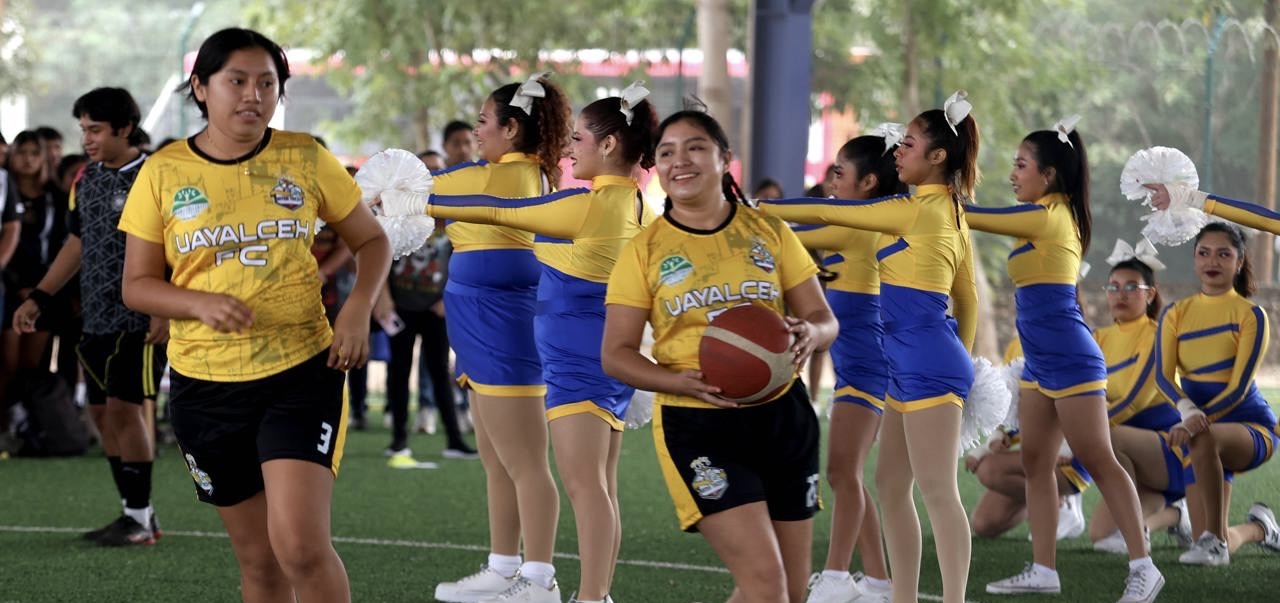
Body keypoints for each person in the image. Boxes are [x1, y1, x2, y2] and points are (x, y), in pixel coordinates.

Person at [118, 28, 390, 602]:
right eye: (236, 81)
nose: (253, 95)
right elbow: (138, 286)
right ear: (201, 88)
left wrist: (358, 307)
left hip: (300, 371)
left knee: (300, 548)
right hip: (203, 387)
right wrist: (197, 303)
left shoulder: (305, 156)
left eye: (267, 83)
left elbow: (372, 241)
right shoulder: (162, 171)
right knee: (260, 563)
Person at [418, 84, 658, 603]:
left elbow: (499, 211)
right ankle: (581, 591)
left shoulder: (590, 204)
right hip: (590, 349)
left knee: (585, 486)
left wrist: (422, 198)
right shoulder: (625, 200)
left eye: (579, 140)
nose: (568, 150)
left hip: (581, 357)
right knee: (598, 485)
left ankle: (574, 591)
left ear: (611, 144)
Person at [602, 108, 836, 603]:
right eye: (666, 152)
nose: (679, 160)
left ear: (724, 159)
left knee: (790, 593)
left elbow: (822, 316)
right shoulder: (644, 250)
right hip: (700, 426)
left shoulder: (768, 231)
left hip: (785, 419)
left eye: (695, 147)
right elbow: (617, 356)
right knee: (766, 585)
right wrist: (678, 381)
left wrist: (811, 334)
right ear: (656, 168)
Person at [757, 93, 979, 603]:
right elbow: (966, 301)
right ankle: (899, 595)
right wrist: (961, 363)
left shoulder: (914, 209)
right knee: (891, 486)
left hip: (924, 363)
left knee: (938, 493)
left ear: (938, 157)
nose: (898, 150)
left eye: (909, 143)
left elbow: (820, 209)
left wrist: (756, 207)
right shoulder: (949, 213)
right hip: (912, 362)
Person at [970, 120, 1162, 603]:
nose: (1013, 174)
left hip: (1073, 360)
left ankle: (1144, 565)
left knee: (1099, 458)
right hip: (1037, 363)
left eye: (1020, 165)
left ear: (1049, 174)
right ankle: (1043, 569)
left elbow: (973, 215)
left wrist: (938, 190)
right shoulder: (1041, 214)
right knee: (1036, 463)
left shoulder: (1049, 216)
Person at [426, 74, 571, 603]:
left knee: (527, 463)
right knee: (497, 459)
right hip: (479, 330)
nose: (477, 131)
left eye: (484, 122)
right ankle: (504, 566)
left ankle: (538, 579)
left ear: (511, 129)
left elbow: (415, 190)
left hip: (504, 332)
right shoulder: (506, 174)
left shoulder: (503, 178)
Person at [13, 88, 167, 547]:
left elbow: (183, 245)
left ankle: (141, 520)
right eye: (83, 129)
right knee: (101, 417)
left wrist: (166, 307)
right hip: (92, 318)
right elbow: (76, 245)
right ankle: (134, 513)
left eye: (95, 129)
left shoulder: (161, 174)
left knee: (124, 410)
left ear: (124, 127)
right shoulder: (86, 179)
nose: (87, 138)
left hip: (140, 319)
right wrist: (39, 296)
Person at [769, 134, 899, 603]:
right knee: (849, 474)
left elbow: (792, 227)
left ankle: (838, 575)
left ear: (868, 182)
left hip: (869, 369)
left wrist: (739, 209)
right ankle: (880, 581)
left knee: (843, 473)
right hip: (860, 368)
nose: (831, 182)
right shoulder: (859, 225)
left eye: (840, 173)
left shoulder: (854, 226)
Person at [1156, 222, 1280, 565]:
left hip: (1252, 430)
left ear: (1239, 262)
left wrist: (1197, 422)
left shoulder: (1251, 315)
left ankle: (1216, 541)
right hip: (1202, 433)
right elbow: (1163, 378)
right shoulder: (1175, 313)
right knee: (1210, 538)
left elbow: (1238, 389)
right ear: (1195, 260)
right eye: (1204, 253)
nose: (1213, 261)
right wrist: (1190, 414)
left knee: (1203, 440)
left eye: (1224, 254)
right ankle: (1260, 529)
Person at [382, 224, 477, 459]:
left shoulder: (454, 224)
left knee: (440, 373)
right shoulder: (400, 218)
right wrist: (382, 296)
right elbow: (379, 252)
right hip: (400, 307)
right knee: (398, 372)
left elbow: (465, 262)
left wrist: (450, 299)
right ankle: (398, 439)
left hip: (436, 309)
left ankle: (454, 439)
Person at [2, 131, 67, 410]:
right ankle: (5, 426)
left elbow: (64, 247)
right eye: (22, 153)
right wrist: (17, 284)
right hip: (9, 286)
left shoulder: (56, 197)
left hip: (44, 290)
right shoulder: (4, 189)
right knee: (7, 363)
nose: (28, 160)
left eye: (34, 153)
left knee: (33, 365)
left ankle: (32, 427)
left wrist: (42, 289)